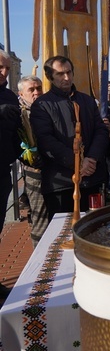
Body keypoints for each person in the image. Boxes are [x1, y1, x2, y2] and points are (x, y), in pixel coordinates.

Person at [30, 55, 109, 219]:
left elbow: (100, 131)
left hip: (92, 178)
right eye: (60, 74)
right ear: (50, 77)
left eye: (69, 72)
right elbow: (46, 140)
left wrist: (92, 159)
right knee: (64, 233)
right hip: (61, 182)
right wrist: (77, 163)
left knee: (95, 228)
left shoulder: (87, 100)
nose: (66, 78)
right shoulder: (42, 105)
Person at [17, 76, 47, 246]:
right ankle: (40, 259)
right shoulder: (19, 115)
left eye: (39, 88)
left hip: (54, 170)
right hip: (35, 173)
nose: (36, 93)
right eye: (31, 90)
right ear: (21, 93)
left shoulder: (46, 109)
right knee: (40, 219)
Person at [0, 49, 22, 237]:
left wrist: (20, 151)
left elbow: (17, 132)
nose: (5, 72)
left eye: (7, 68)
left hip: (2, 171)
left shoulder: (10, 96)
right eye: (0, 67)